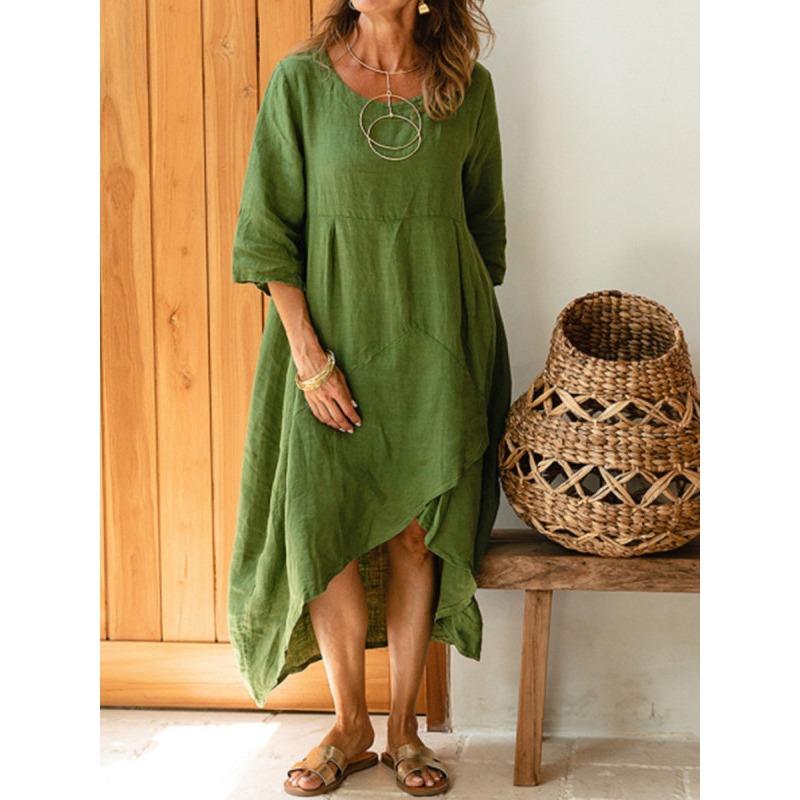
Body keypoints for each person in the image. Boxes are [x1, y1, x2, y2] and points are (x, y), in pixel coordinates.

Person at [227, 0, 511, 795]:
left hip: (436, 346)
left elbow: (484, 228)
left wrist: (455, 341)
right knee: (325, 528)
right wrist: (308, 356)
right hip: (328, 345)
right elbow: (267, 230)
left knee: (419, 535)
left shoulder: (468, 88)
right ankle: (349, 725)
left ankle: (404, 730)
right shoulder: (300, 82)